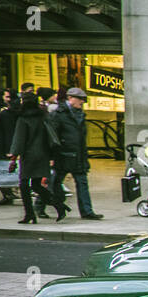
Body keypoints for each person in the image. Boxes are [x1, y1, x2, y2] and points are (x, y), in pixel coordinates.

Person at [49, 87, 101, 220]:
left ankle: (87, 211)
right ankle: (40, 205)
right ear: (70, 98)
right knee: (54, 182)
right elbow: (53, 136)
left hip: (78, 155)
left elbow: (81, 138)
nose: (82, 102)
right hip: (64, 155)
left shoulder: (80, 114)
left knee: (82, 182)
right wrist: (53, 156)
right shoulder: (59, 114)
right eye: (80, 99)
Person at [8, 91, 60, 223]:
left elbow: (19, 140)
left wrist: (13, 158)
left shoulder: (23, 119)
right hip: (42, 154)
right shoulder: (42, 116)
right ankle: (59, 206)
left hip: (29, 156)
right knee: (37, 185)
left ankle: (29, 214)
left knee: (24, 185)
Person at [0, 88, 20, 205]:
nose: (5, 99)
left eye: (8, 97)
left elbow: (7, 131)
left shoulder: (6, 113)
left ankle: (9, 193)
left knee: (0, 169)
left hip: (1, 145)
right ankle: (8, 193)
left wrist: (9, 148)